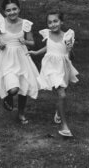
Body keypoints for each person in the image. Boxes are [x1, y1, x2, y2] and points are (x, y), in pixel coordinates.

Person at [0, 0, 40, 125]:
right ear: (4, 12)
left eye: (14, 9)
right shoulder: (0, 23)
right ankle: (8, 97)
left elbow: (32, 42)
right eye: (8, 10)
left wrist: (25, 41)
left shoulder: (25, 24)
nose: (12, 12)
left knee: (24, 87)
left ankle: (21, 113)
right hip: (6, 58)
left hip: (22, 58)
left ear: (19, 9)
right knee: (14, 89)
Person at [30, 9, 78, 138]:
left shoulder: (68, 36)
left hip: (64, 67)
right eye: (50, 22)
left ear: (61, 22)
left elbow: (71, 57)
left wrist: (70, 49)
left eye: (55, 21)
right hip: (50, 67)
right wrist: (36, 52)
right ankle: (64, 126)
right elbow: (49, 47)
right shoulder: (47, 34)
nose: (53, 25)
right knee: (62, 95)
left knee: (62, 93)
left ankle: (58, 111)